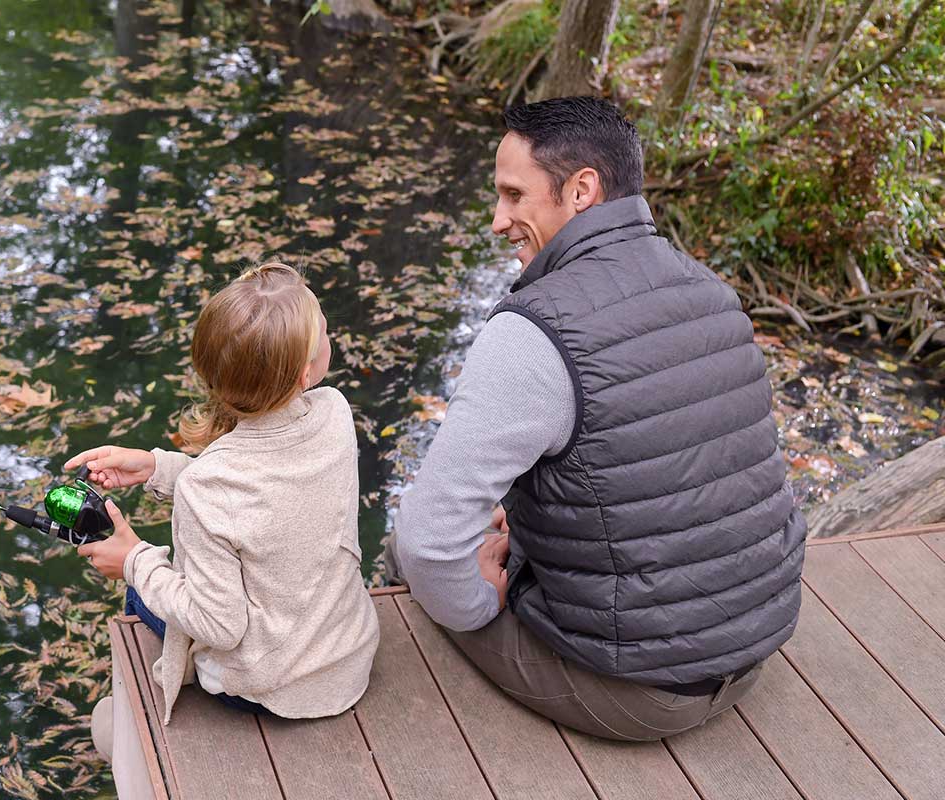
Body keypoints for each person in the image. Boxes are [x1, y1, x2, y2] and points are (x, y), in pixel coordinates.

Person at [386, 97, 807, 741]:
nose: (498, 221)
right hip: (752, 653)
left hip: (641, 694)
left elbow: (427, 540)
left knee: (405, 551)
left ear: (581, 189)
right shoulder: (712, 295)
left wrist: (484, 599)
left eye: (512, 195)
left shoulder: (535, 331)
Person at [70, 262, 379, 728]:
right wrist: (158, 467)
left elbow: (218, 625)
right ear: (303, 375)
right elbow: (271, 496)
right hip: (349, 658)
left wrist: (133, 558)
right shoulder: (333, 414)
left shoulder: (208, 487)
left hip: (273, 689)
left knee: (141, 595)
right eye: (326, 333)